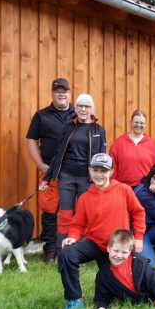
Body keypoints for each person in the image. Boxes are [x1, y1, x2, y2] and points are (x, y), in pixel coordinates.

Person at [55, 153, 146, 309]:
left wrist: (138, 237)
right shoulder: (85, 197)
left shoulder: (123, 190)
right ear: (89, 171)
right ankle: (75, 301)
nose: (99, 174)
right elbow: (77, 224)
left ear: (111, 172)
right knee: (67, 254)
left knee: (123, 290)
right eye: (95, 170)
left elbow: (139, 212)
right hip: (95, 243)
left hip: (118, 248)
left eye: (103, 171)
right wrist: (72, 237)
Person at [42, 93, 106, 244]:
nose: (83, 109)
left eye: (86, 106)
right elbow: (58, 153)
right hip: (67, 177)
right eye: (80, 106)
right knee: (65, 215)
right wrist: (47, 178)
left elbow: (102, 157)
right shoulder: (69, 126)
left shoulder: (99, 130)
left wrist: (102, 180)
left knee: (83, 215)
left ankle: (79, 251)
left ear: (92, 109)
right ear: (75, 108)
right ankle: (61, 250)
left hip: (86, 178)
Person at [26, 77, 75, 262]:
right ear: (52, 93)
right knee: (49, 211)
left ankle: (70, 248)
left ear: (69, 93)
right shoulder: (41, 115)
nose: (61, 94)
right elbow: (31, 140)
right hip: (50, 173)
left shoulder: (78, 114)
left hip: (73, 172)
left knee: (72, 211)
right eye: (58, 91)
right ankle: (50, 251)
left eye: (65, 91)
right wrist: (40, 165)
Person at [108, 110, 155, 188]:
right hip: (123, 188)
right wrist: (113, 186)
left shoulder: (152, 145)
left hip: (145, 189)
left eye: (141, 123)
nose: (138, 125)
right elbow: (113, 167)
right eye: (136, 122)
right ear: (131, 122)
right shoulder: (118, 143)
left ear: (145, 124)